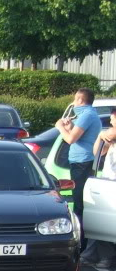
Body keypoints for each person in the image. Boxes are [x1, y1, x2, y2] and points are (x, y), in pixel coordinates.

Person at [55, 88, 102, 248]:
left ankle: (81, 244)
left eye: (75, 100)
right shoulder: (87, 115)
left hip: (82, 162)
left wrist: (60, 127)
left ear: (81, 100)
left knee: (79, 203)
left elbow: (70, 139)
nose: (73, 104)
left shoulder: (87, 115)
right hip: (80, 161)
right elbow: (78, 137)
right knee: (79, 202)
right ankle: (83, 243)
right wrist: (70, 127)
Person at [85, 111, 116, 270]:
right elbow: (97, 152)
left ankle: (106, 258)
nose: (111, 123)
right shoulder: (110, 137)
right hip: (108, 184)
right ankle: (105, 257)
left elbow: (112, 132)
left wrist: (106, 133)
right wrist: (100, 137)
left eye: (112, 119)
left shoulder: (112, 133)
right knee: (103, 225)